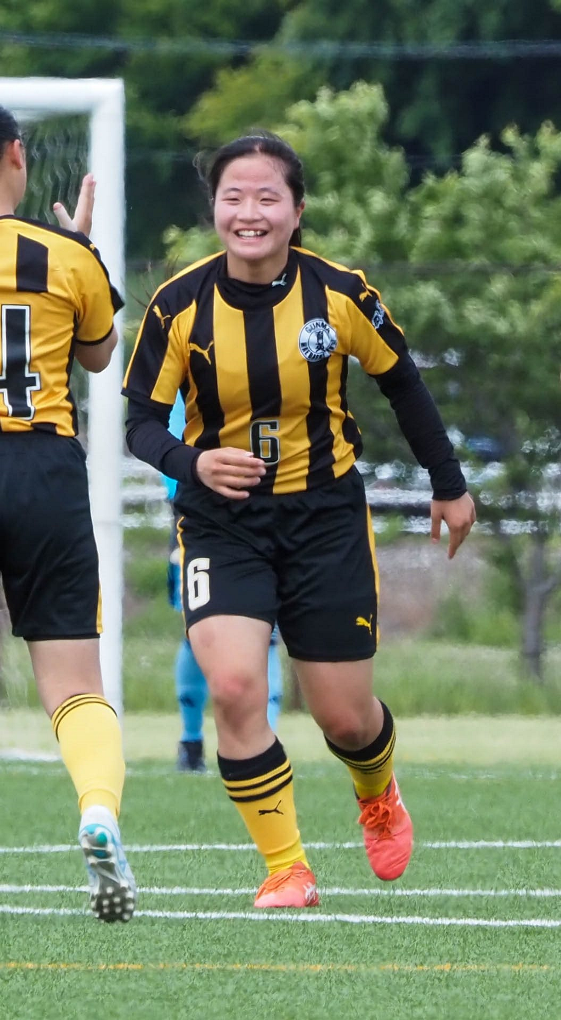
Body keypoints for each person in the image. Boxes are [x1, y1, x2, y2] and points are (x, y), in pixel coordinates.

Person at [122, 132, 476, 908]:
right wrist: (193, 463)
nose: (248, 212)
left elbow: (404, 386)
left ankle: (377, 791)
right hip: (223, 521)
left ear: (297, 209)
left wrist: (449, 484)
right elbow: (140, 424)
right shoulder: (178, 303)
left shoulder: (341, 294)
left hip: (326, 519)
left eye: (266, 197)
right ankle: (286, 867)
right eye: (232, 197)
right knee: (237, 683)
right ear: (214, 209)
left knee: (345, 717)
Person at [0, 106, 135, 922]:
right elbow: (96, 353)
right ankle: (97, 811)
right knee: (74, 685)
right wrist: (81, 247)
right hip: (43, 464)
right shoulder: (63, 257)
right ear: (16, 153)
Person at [162, 393, 283, 773]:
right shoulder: (187, 349)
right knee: (198, 630)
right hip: (200, 514)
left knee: (267, 633)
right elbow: (159, 432)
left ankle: (267, 742)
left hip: (275, 508)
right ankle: (191, 741)